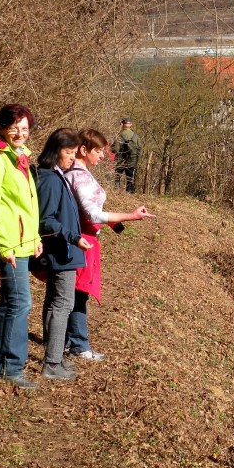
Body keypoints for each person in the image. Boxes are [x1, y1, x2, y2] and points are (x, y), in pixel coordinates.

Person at [63, 130, 156, 361]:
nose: (103, 156)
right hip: (82, 241)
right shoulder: (80, 176)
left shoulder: (81, 173)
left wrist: (114, 224)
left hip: (84, 239)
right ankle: (78, 344)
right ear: (84, 150)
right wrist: (130, 216)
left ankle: (67, 341)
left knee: (74, 292)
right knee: (78, 292)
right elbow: (92, 214)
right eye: (99, 151)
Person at [0, 104, 42, 390]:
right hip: (7, 243)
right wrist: (5, 245)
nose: (20, 133)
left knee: (10, 302)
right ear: (2, 127)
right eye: (15, 127)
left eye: (25, 128)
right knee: (19, 302)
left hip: (22, 241)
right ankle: (9, 367)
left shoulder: (19, 156)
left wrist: (35, 237)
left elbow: (26, 203)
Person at [36, 128, 92, 383]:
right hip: (63, 251)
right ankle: (53, 362)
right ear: (54, 151)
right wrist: (73, 237)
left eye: (73, 152)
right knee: (62, 304)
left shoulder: (58, 175)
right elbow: (46, 220)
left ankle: (54, 357)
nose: (72, 157)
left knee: (55, 303)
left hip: (66, 250)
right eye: (68, 152)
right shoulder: (49, 179)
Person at [111, 118, 141, 193]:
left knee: (117, 177)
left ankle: (116, 193)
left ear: (122, 124)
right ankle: (129, 193)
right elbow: (139, 148)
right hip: (132, 160)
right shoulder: (136, 136)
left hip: (120, 160)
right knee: (130, 178)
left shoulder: (119, 135)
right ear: (131, 124)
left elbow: (115, 150)